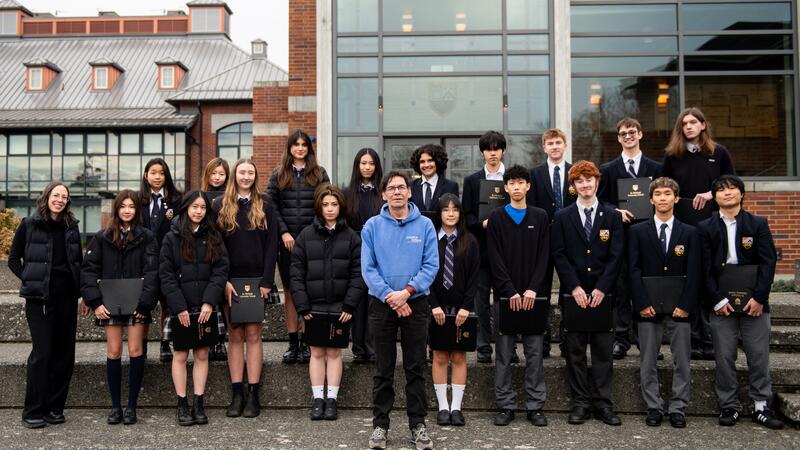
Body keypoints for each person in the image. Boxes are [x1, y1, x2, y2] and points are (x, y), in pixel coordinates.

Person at [697, 175, 783, 430]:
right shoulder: (706, 227)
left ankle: (761, 407)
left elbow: (768, 264)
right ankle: (729, 406)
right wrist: (716, 300)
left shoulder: (758, 224)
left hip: (754, 302)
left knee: (758, 356)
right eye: (721, 190)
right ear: (715, 197)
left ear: (741, 194)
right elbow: (703, 270)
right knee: (724, 356)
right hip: (720, 302)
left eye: (732, 189)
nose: (727, 193)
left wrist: (759, 298)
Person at [361, 171, 438, 450]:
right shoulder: (371, 226)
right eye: (391, 188)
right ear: (383, 194)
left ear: (409, 192)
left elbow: (431, 265)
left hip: (415, 303)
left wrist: (406, 293)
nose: (396, 192)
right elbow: (368, 268)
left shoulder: (426, 225)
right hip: (381, 304)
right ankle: (380, 426)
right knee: (383, 368)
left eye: (401, 187)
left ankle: (418, 425)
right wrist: (390, 297)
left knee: (415, 367)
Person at [551, 161, 624, 426]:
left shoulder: (612, 216)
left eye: (589, 179)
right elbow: (558, 254)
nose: (585, 185)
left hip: (604, 296)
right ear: (573, 187)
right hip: (575, 296)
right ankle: (580, 403)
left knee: (604, 352)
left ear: (597, 181)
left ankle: (604, 404)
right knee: (576, 352)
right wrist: (575, 287)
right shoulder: (562, 217)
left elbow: (617, 256)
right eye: (579, 181)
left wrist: (602, 288)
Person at [80, 189, 159, 425]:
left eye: (131, 206)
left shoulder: (147, 237)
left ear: (137, 210)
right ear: (117, 209)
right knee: (114, 351)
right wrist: (95, 302)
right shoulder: (102, 237)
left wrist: (145, 304)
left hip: (137, 305)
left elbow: (152, 272)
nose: (127, 210)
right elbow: (88, 271)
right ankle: (115, 406)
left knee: (136, 350)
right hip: (109, 304)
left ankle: (132, 407)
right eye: (123, 206)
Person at [8, 181, 83, 429]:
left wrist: (82, 294)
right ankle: (33, 409)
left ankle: (54, 408)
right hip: (39, 299)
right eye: (56, 195)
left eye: (64, 196)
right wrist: (31, 280)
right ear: (47, 196)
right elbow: (13, 260)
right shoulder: (30, 224)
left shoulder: (72, 227)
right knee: (42, 354)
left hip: (67, 298)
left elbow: (77, 264)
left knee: (65, 355)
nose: (60, 199)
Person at [663, 107, 736, 360]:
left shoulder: (719, 153)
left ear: (703, 125)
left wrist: (711, 193)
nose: (689, 127)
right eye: (684, 124)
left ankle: (709, 340)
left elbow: (733, 187)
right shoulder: (673, 156)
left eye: (693, 122)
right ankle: (693, 339)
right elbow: (665, 189)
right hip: (684, 229)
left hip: (713, 227)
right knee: (689, 280)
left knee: (710, 279)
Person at [628, 177, 699, 428]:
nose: (663, 198)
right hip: (648, 308)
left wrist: (686, 304)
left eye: (668, 194)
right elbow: (633, 270)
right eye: (658, 194)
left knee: (682, 360)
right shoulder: (637, 232)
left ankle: (678, 407)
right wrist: (641, 302)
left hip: (680, 308)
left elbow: (694, 272)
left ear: (676, 198)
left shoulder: (690, 232)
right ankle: (654, 407)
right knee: (647, 360)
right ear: (651, 199)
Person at [292, 184, 365, 421]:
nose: (330, 209)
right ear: (319, 207)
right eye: (325, 205)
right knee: (316, 352)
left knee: (334, 353)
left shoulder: (352, 237)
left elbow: (358, 273)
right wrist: (302, 306)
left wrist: (350, 305)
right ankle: (317, 399)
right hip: (313, 307)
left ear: (341, 206)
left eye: (334, 204)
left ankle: (331, 399)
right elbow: (296, 274)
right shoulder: (305, 236)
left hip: (340, 307)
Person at [215, 158, 279, 418]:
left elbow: (272, 244)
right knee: (235, 336)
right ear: (234, 175)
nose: (245, 176)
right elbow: (215, 246)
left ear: (255, 176)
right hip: (230, 281)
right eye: (241, 172)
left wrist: (266, 281)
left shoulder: (266, 204)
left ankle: (253, 393)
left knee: (253, 335)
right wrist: (223, 281)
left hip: (256, 282)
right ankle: (237, 392)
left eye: (250, 172)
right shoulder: (219, 205)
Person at [487, 166, 550, 427]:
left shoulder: (541, 216)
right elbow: (495, 258)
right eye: (511, 182)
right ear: (505, 187)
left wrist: (533, 288)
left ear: (528, 187)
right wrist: (509, 290)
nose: (515, 187)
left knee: (534, 354)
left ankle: (535, 406)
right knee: (503, 354)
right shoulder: (497, 218)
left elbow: (545, 256)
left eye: (520, 182)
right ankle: (505, 405)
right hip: (506, 297)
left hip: (534, 298)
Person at [160, 190, 229, 426]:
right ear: (186, 208)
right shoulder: (172, 237)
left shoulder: (214, 236)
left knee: (202, 354)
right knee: (180, 355)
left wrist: (210, 301)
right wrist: (178, 307)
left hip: (206, 307)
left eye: (203, 207)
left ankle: (198, 402)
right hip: (181, 307)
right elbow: (166, 275)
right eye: (194, 207)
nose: (199, 211)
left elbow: (221, 270)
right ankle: (182, 403)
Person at [598, 118, 663, 360]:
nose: (628, 136)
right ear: (618, 138)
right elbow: (601, 202)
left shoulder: (656, 168)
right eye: (623, 133)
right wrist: (616, 210)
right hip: (621, 236)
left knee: (647, 287)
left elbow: (665, 195)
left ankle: (648, 342)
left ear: (640, 134)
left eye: (632, 132)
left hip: (649, 236)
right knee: (622, 288)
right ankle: (622, 339)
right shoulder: (608, 170)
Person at [268, 129, 330, 364]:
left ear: (309, 148)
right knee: (292, 293)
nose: (300, 148)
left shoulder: (319, 173)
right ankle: (293, 342)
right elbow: (271, 205)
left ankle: (306, 341)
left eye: (304, 144)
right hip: (287, 244)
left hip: (313, 242)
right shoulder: (278, 174)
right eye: (296, 144)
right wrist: (283, 231)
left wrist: (310, 233)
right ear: (290, 148)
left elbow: (327, 202)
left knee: (310, 291)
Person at [461, 130, 513, 364]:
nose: (493, 153)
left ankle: (509, 348)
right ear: (483, 152)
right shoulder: (472, 181)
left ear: (502, 150)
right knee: (481, 300)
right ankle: (483, 347)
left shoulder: (512, 178)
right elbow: (466, 215)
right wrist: (481, 223)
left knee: (506, 300)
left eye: (497, 148)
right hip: (481, 250)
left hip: (507, 252)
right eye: (488, 149)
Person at [428, 193, 479, 427]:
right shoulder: (430, 239)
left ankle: (456, 407)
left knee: (459, 356)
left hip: (462, 308)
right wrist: (434, 304)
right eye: (446, 209)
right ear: (439, 214)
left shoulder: (470, 242)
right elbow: (425, 274)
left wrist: (466, 306)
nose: (450, 213)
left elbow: (474, 278)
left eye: (455, 209)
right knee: (439, 356)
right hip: (437, 306)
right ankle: (443, 407)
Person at [529, 128, 576, 357]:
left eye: (558, 142)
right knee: (542, 289)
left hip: (570, 239)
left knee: (569, 289)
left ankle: (568, 341)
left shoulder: (575, 173)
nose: (555, 146)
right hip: (543, 239)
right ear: (544, 147)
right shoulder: (535, 174)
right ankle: (543, 341)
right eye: (550, 143)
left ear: (565, 145)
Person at [139, 157, 183, 363]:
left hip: (168, 258)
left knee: (168, 301)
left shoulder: (176, 200)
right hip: (144, 260)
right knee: (144, 303)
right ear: (146, 175)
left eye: (162, 173)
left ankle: (166, 342)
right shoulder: (138, 200)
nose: (157, 176)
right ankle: (143, 342)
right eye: (153, 172)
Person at [344, 147, 384, 363]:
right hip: (355, 250)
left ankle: (374, 347)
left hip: (379, 250)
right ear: (357, 166)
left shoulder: (383, 193)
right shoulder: (347, 192)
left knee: (375, 299)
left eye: (371, 163)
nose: (367, 167)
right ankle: (359, 348)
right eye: (363, 163)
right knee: (357, 299)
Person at [202, 157, 231, 361]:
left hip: (228, 248)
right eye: (214, 173)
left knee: (225, 300)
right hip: (207, 250)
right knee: (211, 296)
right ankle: (211, 339)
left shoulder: (231, 197)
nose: (217, 177)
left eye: (221, 174)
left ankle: (222, 339)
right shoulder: (201, 197)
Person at [409, 144, 459, 217]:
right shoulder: (410, 186)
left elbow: (454, 213)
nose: (426, 165)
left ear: (438, 162)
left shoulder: (451, 186)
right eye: (422, 162)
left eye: (430, 160)